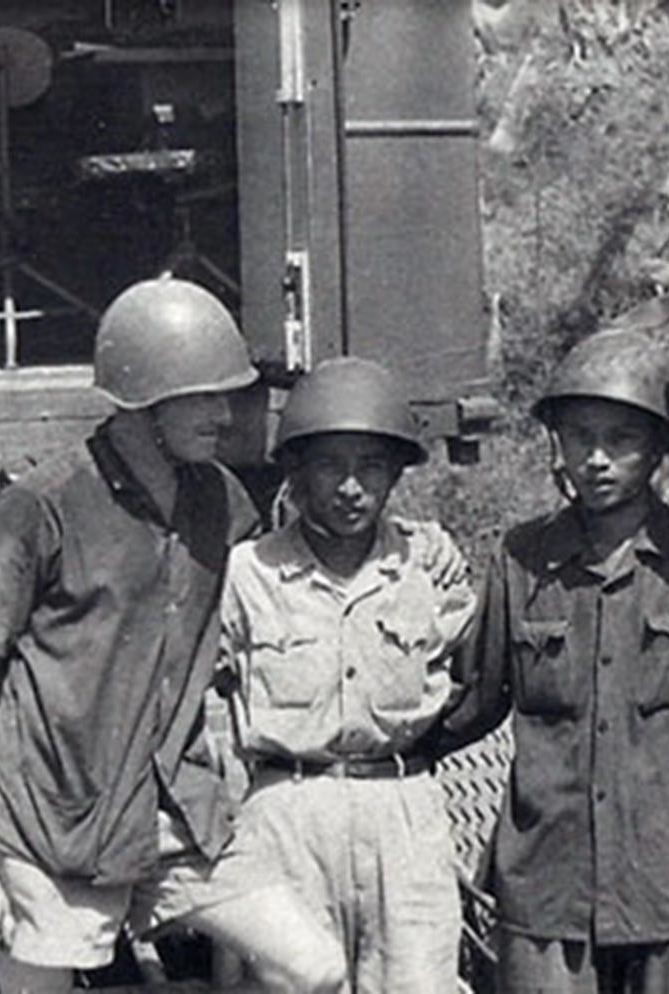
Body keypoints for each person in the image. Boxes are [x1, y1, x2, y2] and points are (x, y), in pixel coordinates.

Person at [0, 276, 346, 994]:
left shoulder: (220, 500)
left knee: (314, 970)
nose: (225, 414)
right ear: (143, 401)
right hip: (51, 823)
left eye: (228, 394)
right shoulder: (41, 508)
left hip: (176, 813)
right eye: (205, 395)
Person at [433, 325, 669, 994]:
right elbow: (469, 703)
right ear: (556, 444)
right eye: (579, 437)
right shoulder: (521, 560)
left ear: (657, 448)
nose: (596, 459)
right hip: (546, 890)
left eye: (620, 440)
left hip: (666, 887)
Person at [216, 356, 476, 994]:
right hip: (286, 811)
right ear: (297, 472)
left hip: (403, 810)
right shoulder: (247, 574)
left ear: (394, 475)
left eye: (371, 467)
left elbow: (471, 676)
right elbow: (208, 707)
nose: (351, 487)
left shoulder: (429, 566)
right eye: (331, 465)